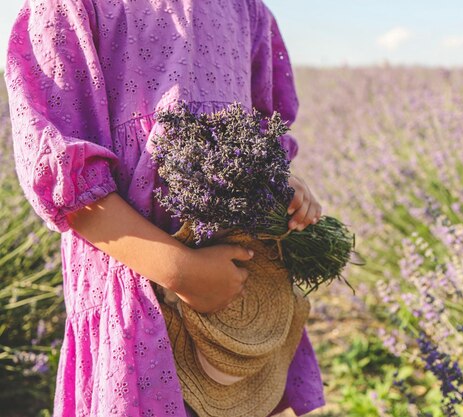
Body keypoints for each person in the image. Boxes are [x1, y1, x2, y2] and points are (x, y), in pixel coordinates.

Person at [4, 0, 326, 416]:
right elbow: (67, 179)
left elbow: (265, 131)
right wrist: (182, 272)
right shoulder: (70, 6)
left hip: (234, 307)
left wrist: (284, 183)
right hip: (136, 304)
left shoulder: (243, 9)